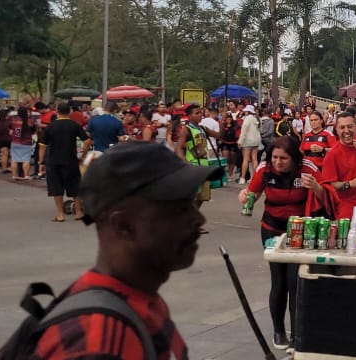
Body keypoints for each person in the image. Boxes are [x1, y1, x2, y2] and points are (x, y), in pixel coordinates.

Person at [24, 142, 223, 358]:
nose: (198, 219)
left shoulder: (140, 299)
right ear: (123, 225)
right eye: (180, 208)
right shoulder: (101, 340)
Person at [239, 136, 335, 349]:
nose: (278, 162)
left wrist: (316, 188)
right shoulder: (264, 169)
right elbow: (252, 194)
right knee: (278, 282)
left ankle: (297, 336)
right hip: (271, 229)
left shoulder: (308, 168)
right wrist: (245, 196)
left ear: (294, 158)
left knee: (295, 282)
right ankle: (278, 331)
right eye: (275, 157)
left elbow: (327, 199)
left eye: (283, 158)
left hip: (299, 232)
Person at [40, 102, 92, 222]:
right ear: (69, 112)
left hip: (53, 160)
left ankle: (60, 214)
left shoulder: (50, 126)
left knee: (56, 187)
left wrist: (41, 161)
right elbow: (87, 141)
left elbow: (42, 145)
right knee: (75, 186)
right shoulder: (75, 125)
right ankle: (78, 212)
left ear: (57, 111)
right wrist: (83, 155)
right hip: (71, 160)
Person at [239, 105, 261, 183]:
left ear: (248, 112)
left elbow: (244, 131)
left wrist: (240, 141)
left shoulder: (247, 119)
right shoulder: (257, 119)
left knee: (245, 159)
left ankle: (242, 178)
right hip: (256, 141)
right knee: (254, 159)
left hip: (247, 141)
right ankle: (254, 178)